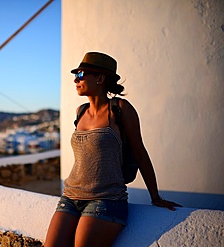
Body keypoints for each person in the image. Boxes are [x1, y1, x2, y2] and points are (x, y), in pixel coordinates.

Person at [44, 52, 182, 247]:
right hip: (70, 197)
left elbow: (140, 153)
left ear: (100, 78)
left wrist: (155, 197)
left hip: (106, 200)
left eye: (81, 74)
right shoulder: (80, 111)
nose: (76, 79)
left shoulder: (120, 108)